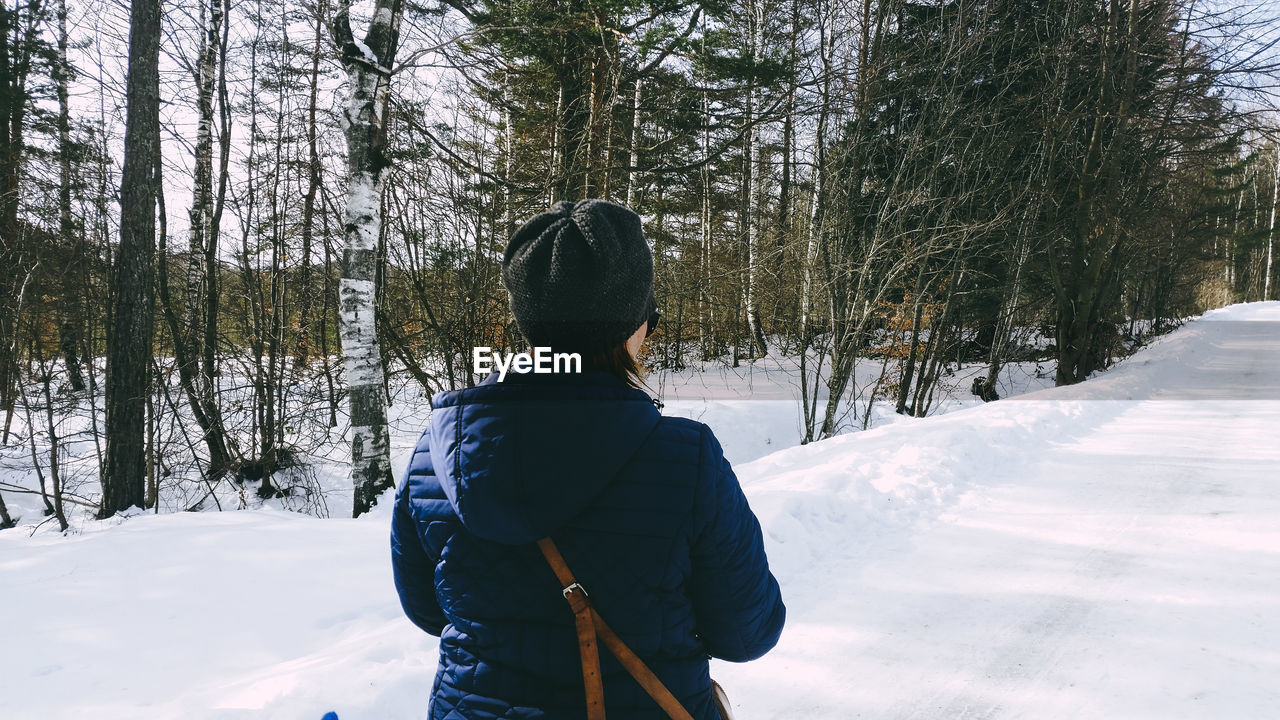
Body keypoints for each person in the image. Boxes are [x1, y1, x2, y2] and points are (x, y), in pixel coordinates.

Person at [391, 199, 785, 720]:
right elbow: (746, 632)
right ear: (631, 327)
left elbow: (426, 610)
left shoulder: (436, 454)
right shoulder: (687, 460)